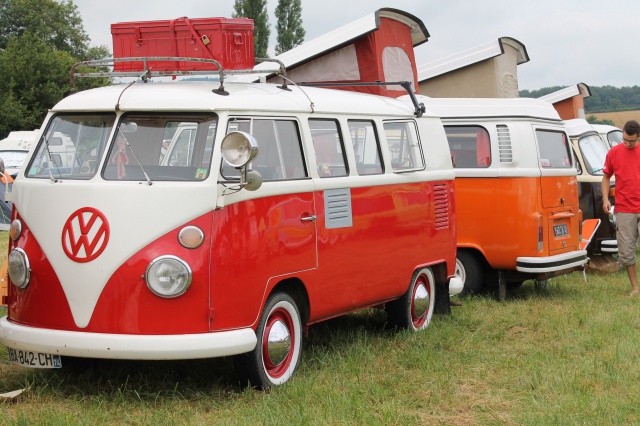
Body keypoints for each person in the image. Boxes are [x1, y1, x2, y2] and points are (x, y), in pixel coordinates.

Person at [602, 119, 640, 295]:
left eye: (631, 141)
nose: (627, 143)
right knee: (626, 251)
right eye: (624, 139)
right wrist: (605, 199)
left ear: (638, 138)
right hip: (624, 208)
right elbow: (606, 177)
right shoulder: (614, 153)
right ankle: (635, 288)